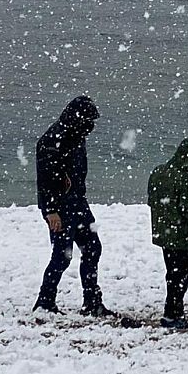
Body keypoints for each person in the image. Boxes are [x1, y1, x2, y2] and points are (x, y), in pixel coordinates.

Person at [33, 95, 114, 316]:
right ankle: (45, 302)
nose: (91, 127)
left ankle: (91, 302)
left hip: (78, 202)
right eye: (88, 121)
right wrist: (51, 211)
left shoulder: (77, 136)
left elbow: (76, 174)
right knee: (62, 255)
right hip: (59, 207)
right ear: (77, 118)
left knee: (92, 248)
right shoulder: (52, 140)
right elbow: (45, 181)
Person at [147, 138, 188, 330]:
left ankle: (173, 310)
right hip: (182, 236)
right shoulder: (185, 180)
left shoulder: (158, 172)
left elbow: (152, 200)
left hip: (164, 233)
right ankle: (173, 313)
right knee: (183, 275)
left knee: (172, 274)